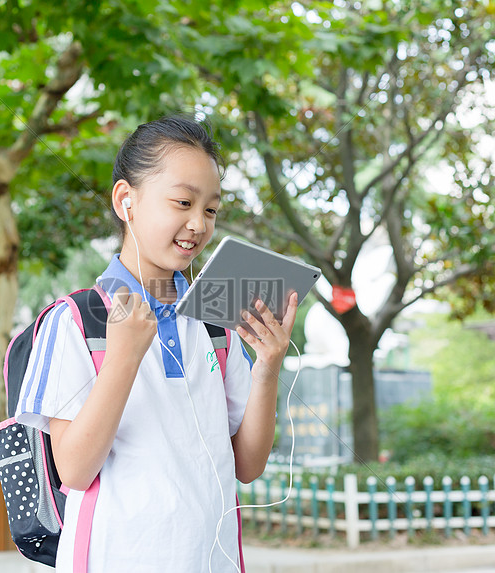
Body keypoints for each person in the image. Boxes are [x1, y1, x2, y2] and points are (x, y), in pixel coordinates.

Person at [15, 114, 298, 572]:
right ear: (126, 200)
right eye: (182, 201)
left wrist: (267, 367)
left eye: (209, 210)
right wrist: (124, 356)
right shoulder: (76, 320)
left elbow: (247, 466)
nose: (197, 224)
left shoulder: (215, 326)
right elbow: (74, 469)